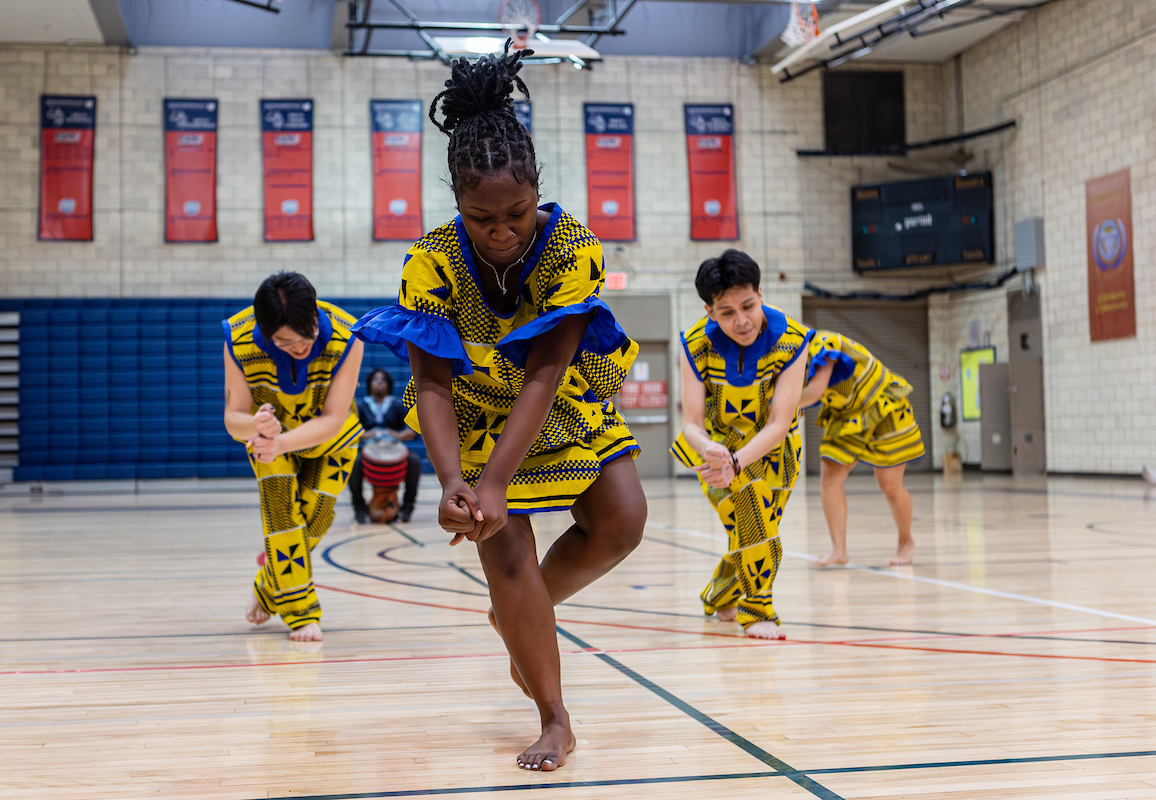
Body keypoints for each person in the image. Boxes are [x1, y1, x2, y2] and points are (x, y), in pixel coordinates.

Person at [353, 43, 647, 772]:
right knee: (504, 548)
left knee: (623, 521)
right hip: (482, 420)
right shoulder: (429, 262)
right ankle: (555, 718)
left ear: (537, 191)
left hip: (564, 399)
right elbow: (430, 385)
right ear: (457, 204)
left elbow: (547, 371)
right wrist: (458, 481)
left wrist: (492, 484)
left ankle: (523, 616)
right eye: (481, 218)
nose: (501, 230)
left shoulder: (572, 246)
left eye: (515, 212)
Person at [672, 250, 811, 640]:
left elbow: (780, 423)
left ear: (761, 293)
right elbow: (691, 424)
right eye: (727, 312)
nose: (742, 320)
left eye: (748, 305)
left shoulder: (793, 340)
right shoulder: (694, 344)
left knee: (752, 530)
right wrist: (712, 451)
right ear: (709, 310)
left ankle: (718, 595)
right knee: (755, 520)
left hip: (776, 453)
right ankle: (758, 611)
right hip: (716, 454)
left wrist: (736, 460)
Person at [223, 271, 364, 642]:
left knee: (316, 520)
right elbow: (233, 417)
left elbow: (334, 417)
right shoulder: (237, 338)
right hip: (268, 439)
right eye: (287, 342)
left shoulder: (350, 334)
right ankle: (302, 615)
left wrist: (282, 443)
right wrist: (254, 425)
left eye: (308, 336)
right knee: (284, 521)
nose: (301, 347)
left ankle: (267, 586)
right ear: (265, 332)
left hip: (332, 438)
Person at [799, 330, 924, 567]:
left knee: (889, 485)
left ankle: (906, 541)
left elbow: (813, 392)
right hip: (848, 415)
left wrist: (779, 408)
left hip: (883, 406)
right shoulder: (786, 363)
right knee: (829, 478)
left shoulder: (823, 343)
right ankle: (839, 550)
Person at [349, 368, 421, 523]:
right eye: (376, 379)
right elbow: (350, 433)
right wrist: (370, 434)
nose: (379, 382)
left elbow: (412, 431)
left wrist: (396, 435)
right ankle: (359, 508)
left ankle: (407, 507)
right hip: (368, 450)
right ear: (370, 383)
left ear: (389, 383)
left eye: (383, 379)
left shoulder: (396, 405)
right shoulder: (361, 406)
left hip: (393, 448)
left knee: (414, 461)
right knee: (353, 463)